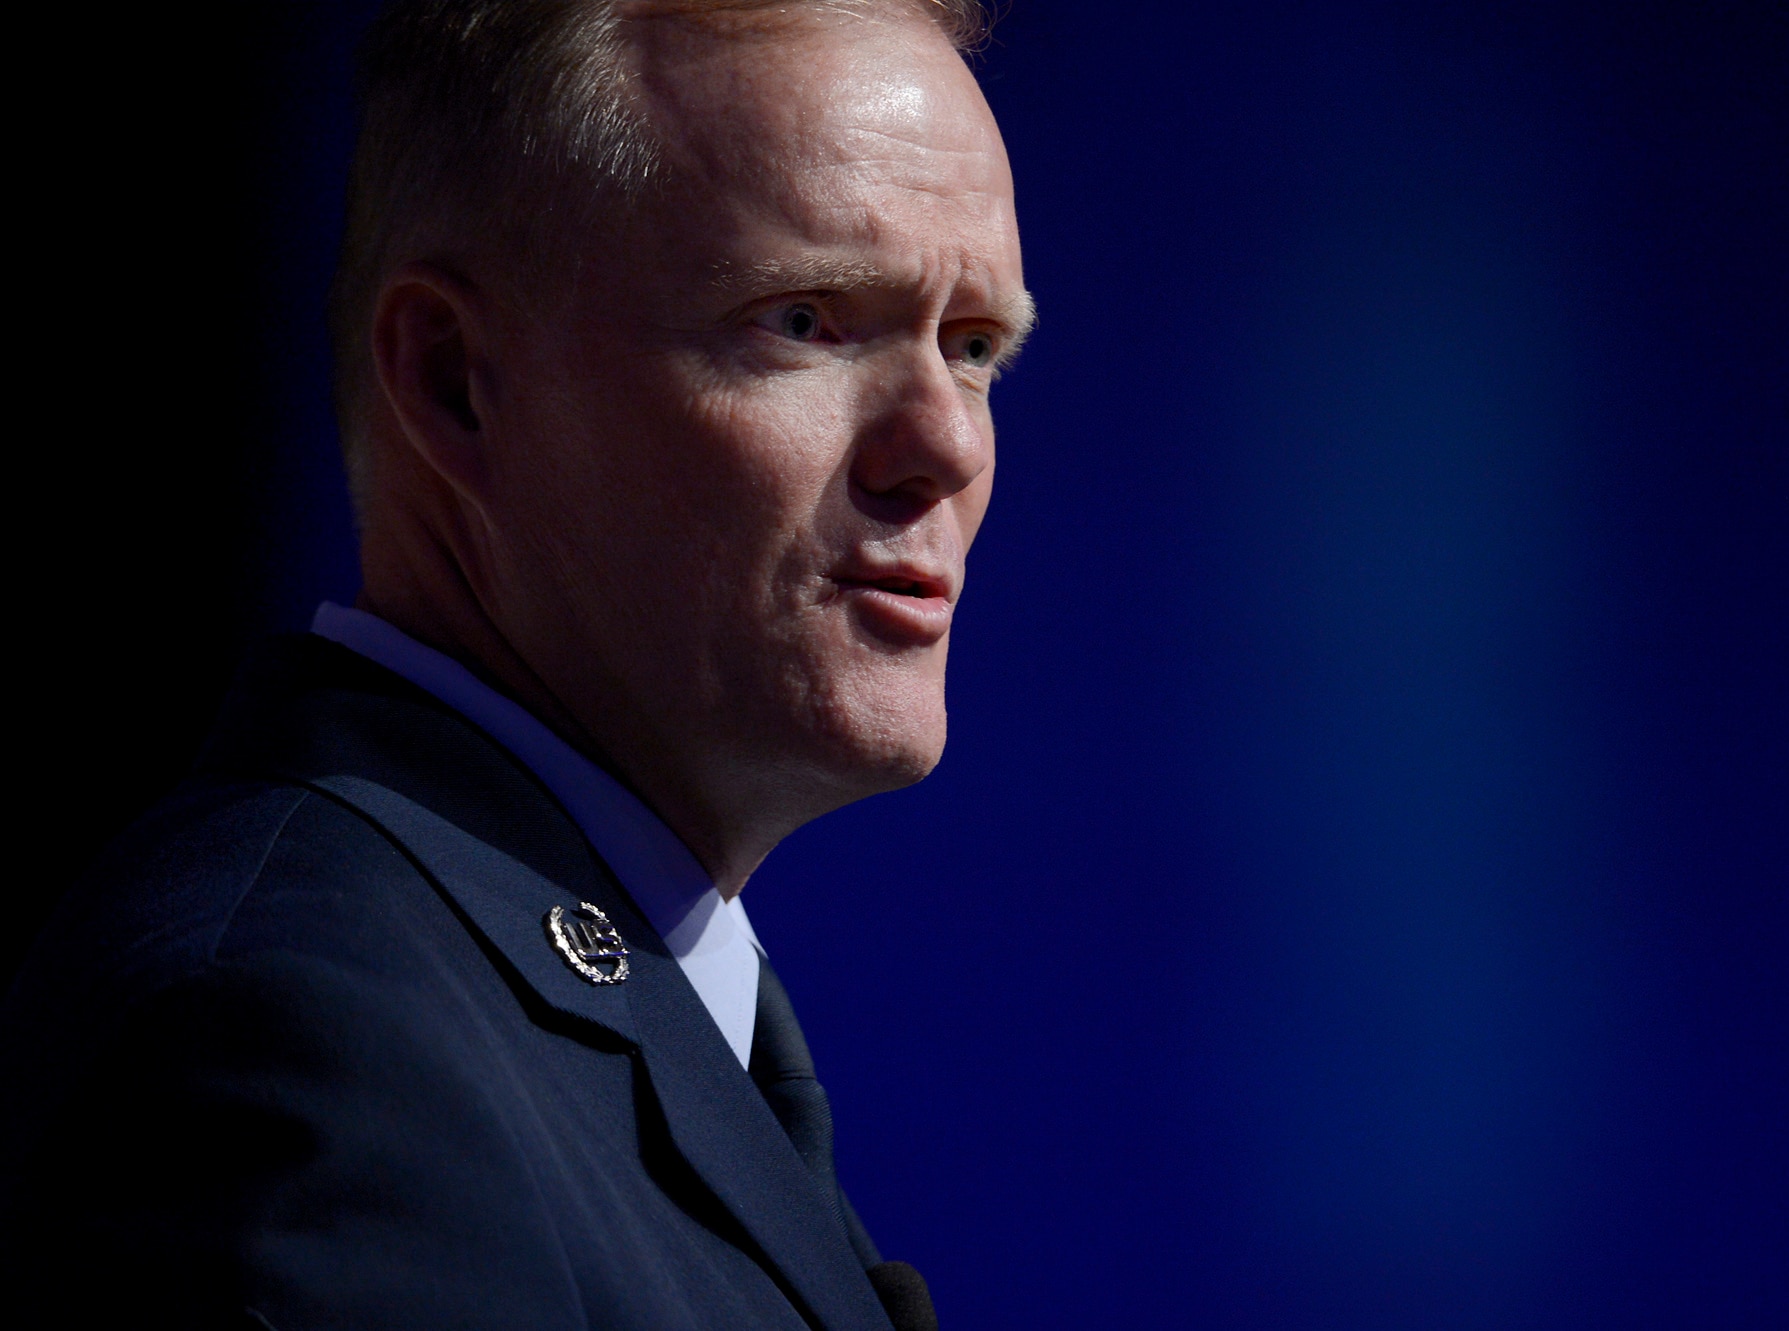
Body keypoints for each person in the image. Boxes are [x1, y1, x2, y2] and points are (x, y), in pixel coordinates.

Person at [0, 1, 1030, 1327]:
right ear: (452, 382)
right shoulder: (294, 1034)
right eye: (809, 321)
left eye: (975, 348)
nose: (944, 443)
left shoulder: (535, 996)